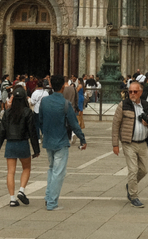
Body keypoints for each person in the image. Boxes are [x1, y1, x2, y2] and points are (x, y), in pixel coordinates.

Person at [39, 75, 86, 211]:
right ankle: (52, 202)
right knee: (58, 172)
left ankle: (48, 197)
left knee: (52, 169)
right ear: (63, 87)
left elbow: (40, 120)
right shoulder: (66, 104)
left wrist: (44, 133)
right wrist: (82, 139)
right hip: (60, 140)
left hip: (48, 140)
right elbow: (74, 124)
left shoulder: (44, 101)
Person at [0, 86, 40, 207]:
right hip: (23, 143)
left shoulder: (8, 112)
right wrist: (36, 149)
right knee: (26, 168)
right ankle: (21, 190)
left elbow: (1, 131)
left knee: (10, 172)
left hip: (10, 144)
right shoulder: (27, 112)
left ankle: (12, 198)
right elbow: (32, 132)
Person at [111, 80, 148, 208]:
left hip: (143, 142)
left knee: (144, 170)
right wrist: (115, 144)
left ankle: (131, 185)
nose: (132, 94)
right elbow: (116, 124)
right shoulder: (123, 105)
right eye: (130, 91)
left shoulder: (147, 105)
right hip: (128, 142)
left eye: (135, 91)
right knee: (133, 169)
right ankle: (134, 196)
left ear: (140, 92)